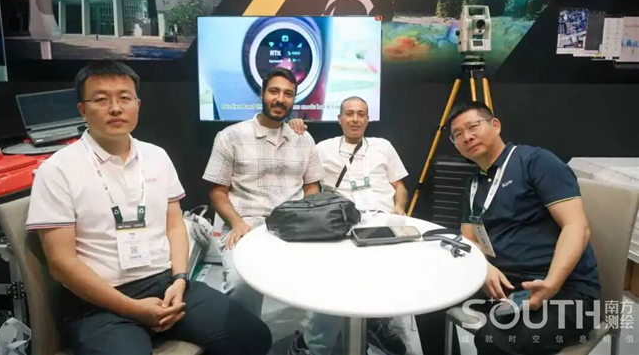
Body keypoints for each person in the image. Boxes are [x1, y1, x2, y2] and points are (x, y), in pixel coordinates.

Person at [26, 61, 272, 355]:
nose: (115, 108)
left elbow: (175, 226)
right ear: (82, 109)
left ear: (138, 105)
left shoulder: (157, 157)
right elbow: (61, 263)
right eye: (101, 99)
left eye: (125, 98)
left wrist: (180, 279)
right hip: (99, 301)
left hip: (166, 284)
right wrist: (133, 308)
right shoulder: (57, 170)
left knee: (253, 336)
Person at [416, 101, 600, 355]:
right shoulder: (474, 183)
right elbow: (470, 241)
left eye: (473, 127)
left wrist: (552, 284)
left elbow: (576, 226)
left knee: (493, 340)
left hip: (564, 290)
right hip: (506, 285)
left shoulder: (536, 162)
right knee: (426, 301)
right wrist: (485, 267)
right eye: (458, 134)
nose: (467, 137)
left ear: (496, 125)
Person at [287, 96, 409, 355]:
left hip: (382, 219)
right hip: (341, 222)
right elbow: (302, 174)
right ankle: (313, 344)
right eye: (350, 114)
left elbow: (399, 186)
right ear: (340, 119)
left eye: (361, 114)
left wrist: (399, 208)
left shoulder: (383, 146)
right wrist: (293, 128)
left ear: (368, 119)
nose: (355, 119)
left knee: (386, 275)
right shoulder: (323, 148)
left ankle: (374, 322)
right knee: (338, 283)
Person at [204, 67, 325, 318]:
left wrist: (309, 218)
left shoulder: (304, 139)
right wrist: (236, 222)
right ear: (262, 94)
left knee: (329, 275)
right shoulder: (230, 137)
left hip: (294, 227)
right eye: (274, 91)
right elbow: (217, 192)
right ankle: (248, 337)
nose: (280, 99)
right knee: (240, 284)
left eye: (288, 94)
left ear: (294, 99)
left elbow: (311, 186)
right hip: (245, 226)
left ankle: (311, 339)